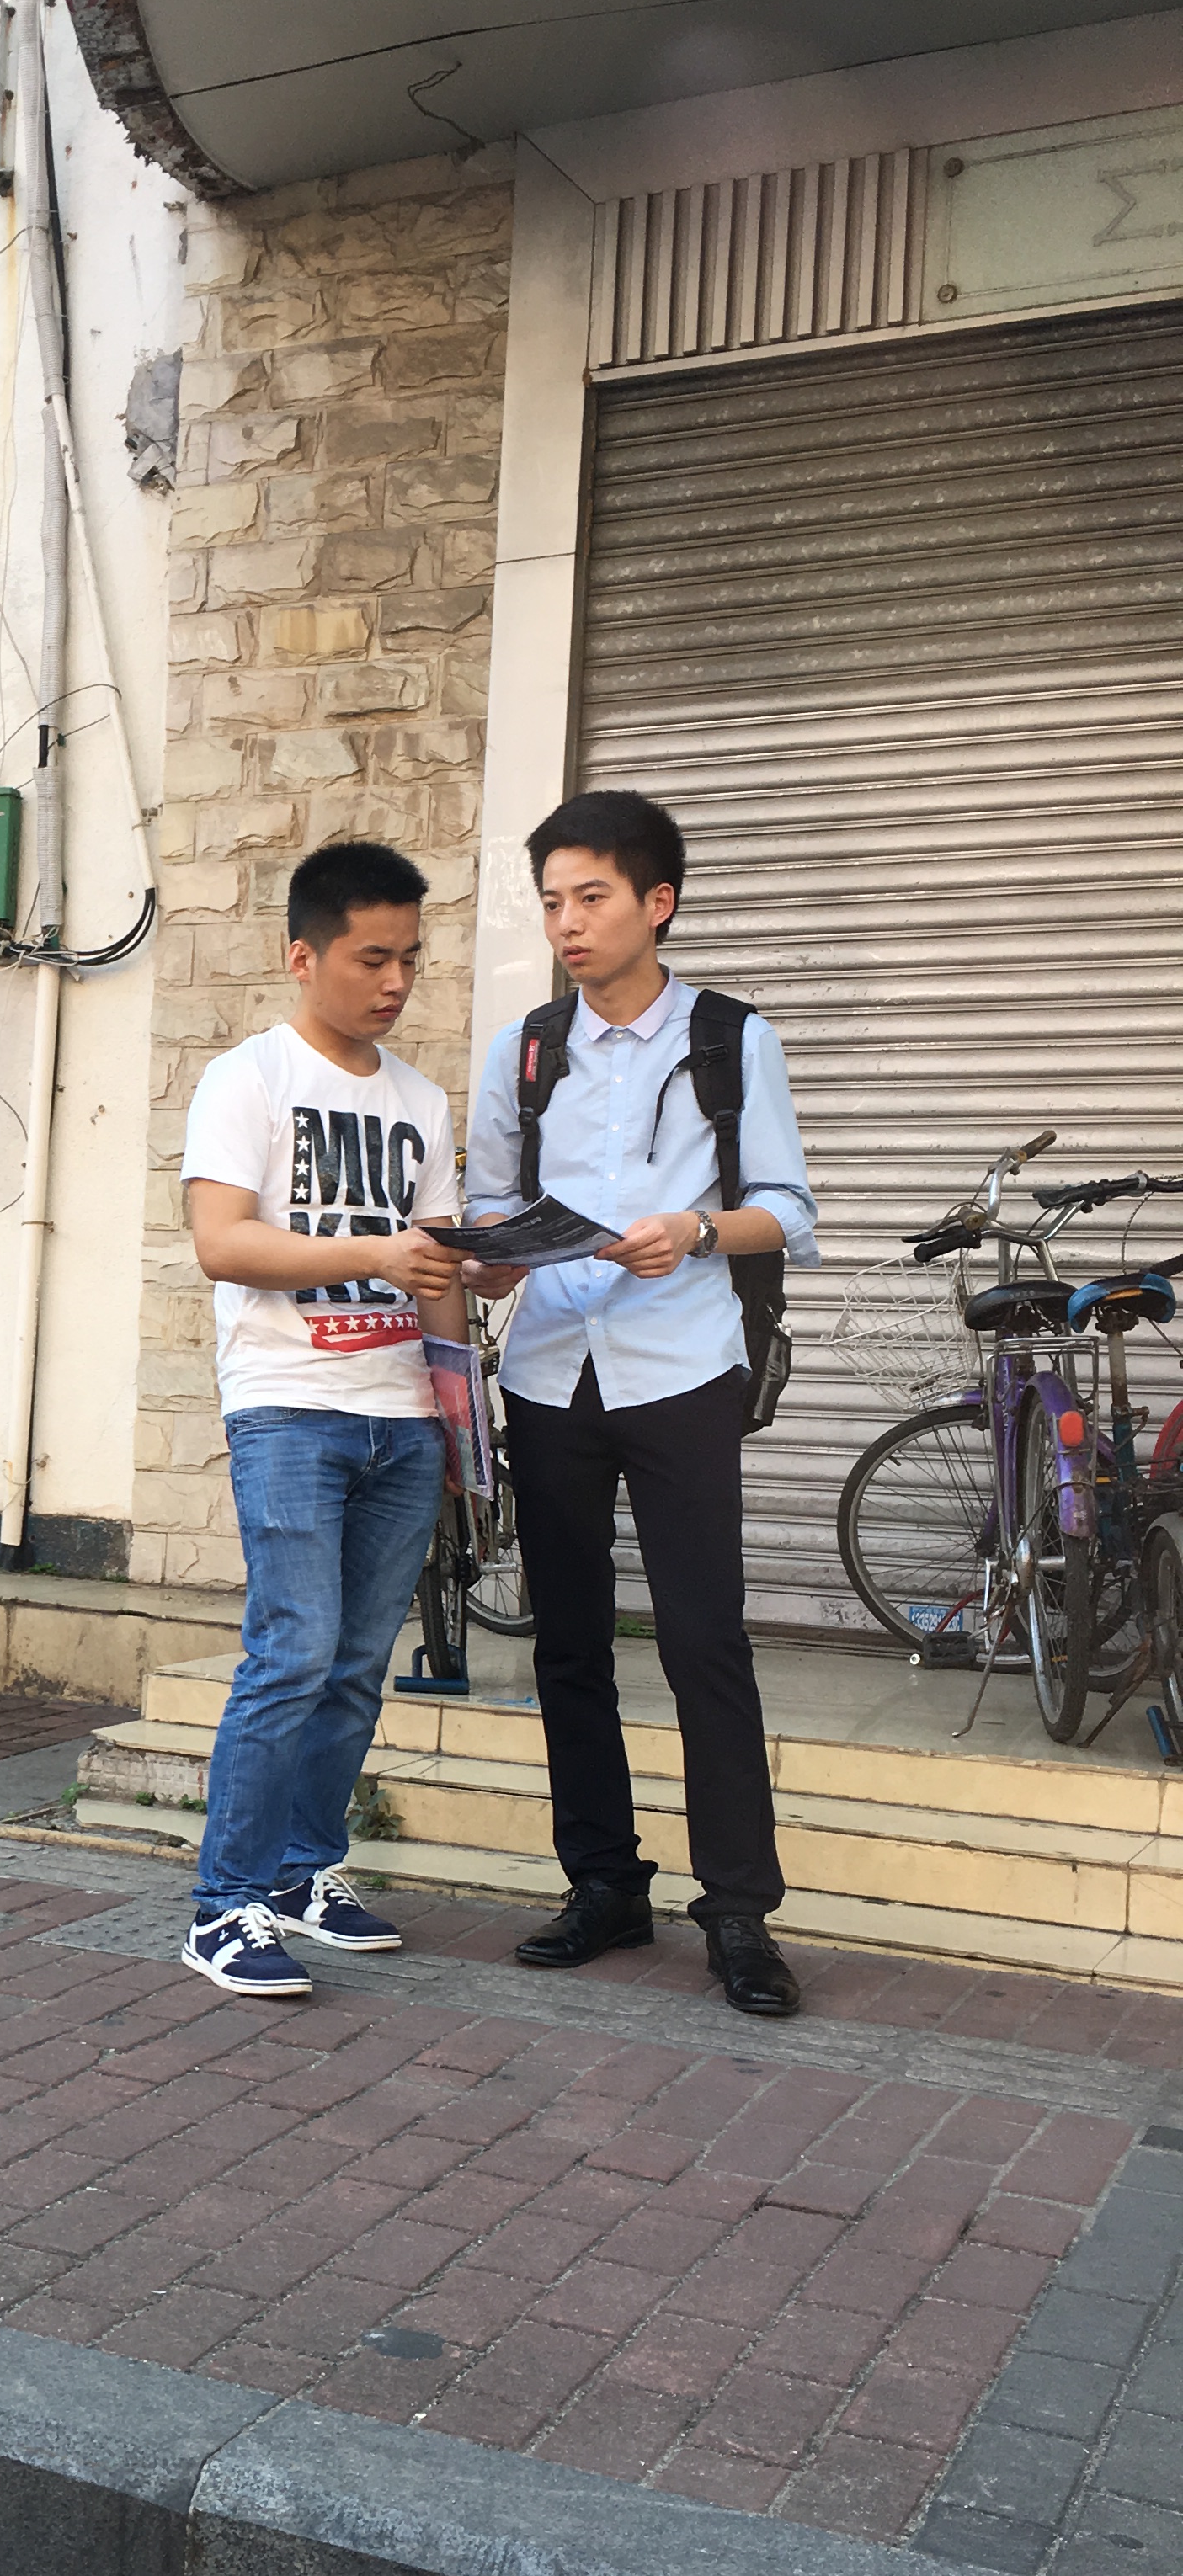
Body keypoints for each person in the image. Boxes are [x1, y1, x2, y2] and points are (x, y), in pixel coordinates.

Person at [461, 790, 818, 2019]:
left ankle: (739, 1913)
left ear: (656, 903)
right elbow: (493, 1208)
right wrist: (487, 1256)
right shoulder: (522, 1050)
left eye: (592, 897)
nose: (567, 922)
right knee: (567, 1642)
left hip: (680, 1371)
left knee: (704, 1639)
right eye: (552, 901)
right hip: (551, 1370)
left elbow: (789, 1211)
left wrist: (697, 1231)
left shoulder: (730, 1038)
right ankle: (604, 1885)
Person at [178, 838, 468, 1998]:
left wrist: (463, 1417)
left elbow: (433, 1271)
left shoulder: (422, 1102)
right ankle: (222, 1907)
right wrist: (380, 1254)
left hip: (405, 1415)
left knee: (354, 1667)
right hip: (289, 1408)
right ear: (302, 957)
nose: (396, 982)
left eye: (411, 959)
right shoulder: (245, 1080)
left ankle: (304, 1873)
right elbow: (222, 1243)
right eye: (371, 958)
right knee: (292, 1653)